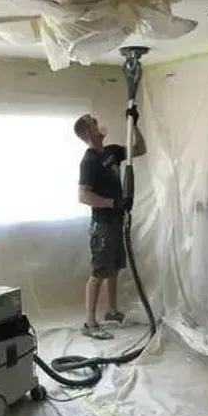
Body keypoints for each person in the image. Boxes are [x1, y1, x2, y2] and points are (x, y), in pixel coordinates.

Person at [74, 110, 147, 339]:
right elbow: (83, 196)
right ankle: (89, 323)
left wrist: (133, 124)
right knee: (99, 272)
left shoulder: (112, 152)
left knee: (113, 269)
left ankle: (111, 311)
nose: (99, 124)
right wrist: (113, 202)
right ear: (88, 132)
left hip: (116, 222)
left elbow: (140, 149)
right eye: (94, 123)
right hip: (103, 225)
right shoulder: (89, 161)